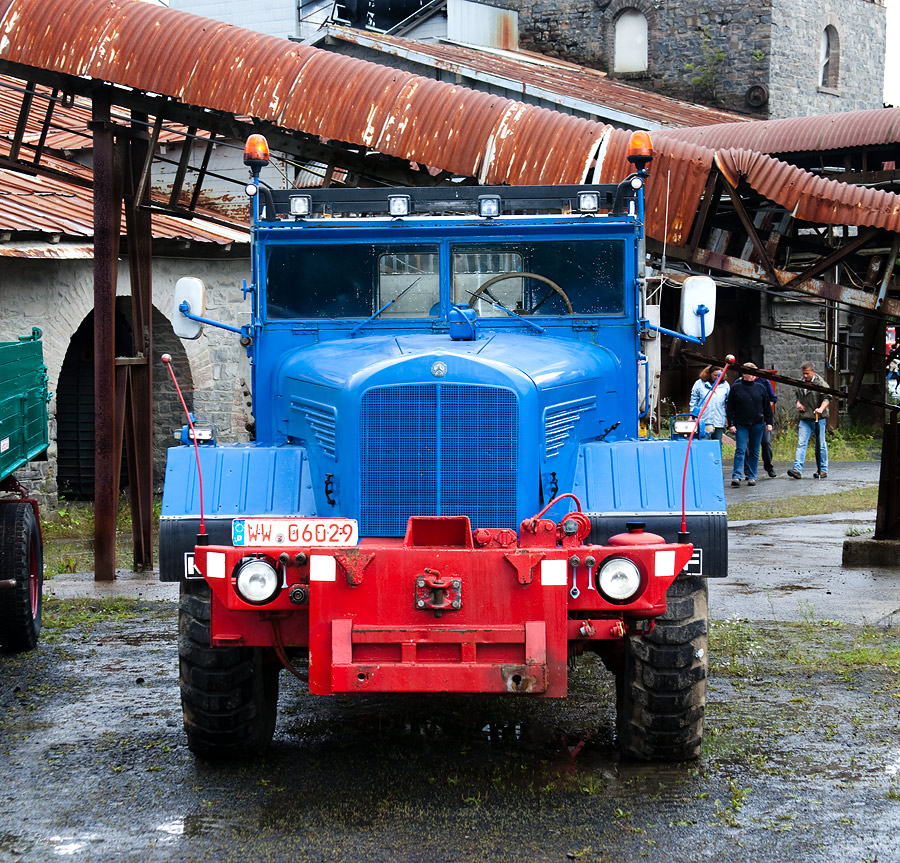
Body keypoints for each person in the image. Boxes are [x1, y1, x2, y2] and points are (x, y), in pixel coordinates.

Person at [726, 362, 774, 487]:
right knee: (741, 449)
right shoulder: (736, 387)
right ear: (743, 374)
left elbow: (767, 407)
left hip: (757, 424)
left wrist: (769, 422)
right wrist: (731, 423)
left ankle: (752, 476)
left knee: (754, 450)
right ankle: (736, 476)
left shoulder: (760, 387)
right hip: (741, 424)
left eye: (753, 373)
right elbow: (730, 407)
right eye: (748, 373)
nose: (751, 376)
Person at [787, 361, 830, 479]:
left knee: (820, 444)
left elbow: (827, 398)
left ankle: (823, 470)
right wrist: (798, 403)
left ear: (813, 372)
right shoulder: (801, 383)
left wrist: (821, 409)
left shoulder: (820, 383)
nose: (805, 376)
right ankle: (797, 469)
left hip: (818, 418)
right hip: (805, 418)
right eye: (803, 374)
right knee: (801, 443)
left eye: (807, 374)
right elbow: (798, 396)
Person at [688, 365, 729, 442]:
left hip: (718, 419)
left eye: (719, 375)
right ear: (709, 374)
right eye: (715, 375)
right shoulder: (699, 383)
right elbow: (694, 400)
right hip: (703, 419)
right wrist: (691, 416)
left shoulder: (725, 385)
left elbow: (727, 402)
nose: (717, 378)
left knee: (717, 442)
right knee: (703, 441)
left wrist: (727, 417)